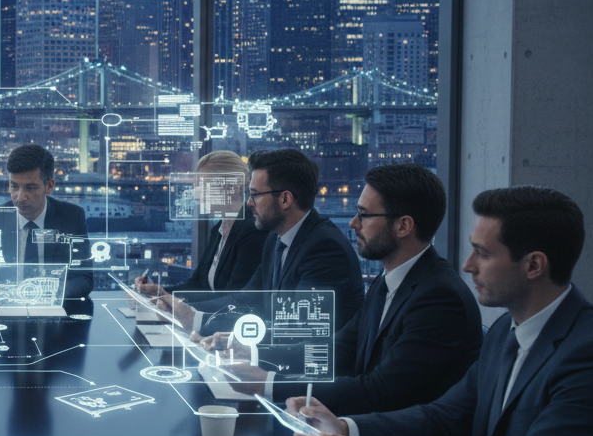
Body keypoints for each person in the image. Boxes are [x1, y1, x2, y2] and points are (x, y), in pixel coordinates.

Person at [292, 186, 593, 436]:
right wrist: (346, 428)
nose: (467, 265)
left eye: (482, 253)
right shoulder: (504, 331)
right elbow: (444, 416)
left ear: (533, 265)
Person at [200, 163, 482, 414]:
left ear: (403, 226)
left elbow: (379, 390)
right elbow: (337, 349)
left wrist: (270, 384)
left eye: (364, 215)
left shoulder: (440, 298)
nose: (353, 223)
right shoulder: (389, 281)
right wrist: (256, 354)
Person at [162, 148, 365, 336]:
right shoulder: (275, 239)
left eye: (256, 195)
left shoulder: (325, 249)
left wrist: (197, 321)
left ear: (285, 199)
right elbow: (245, 299)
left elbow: (296, 329)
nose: (249, 202)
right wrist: (180, 309)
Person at [0, 143, 94, 305]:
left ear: (49, 186)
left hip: (53, 314)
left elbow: (84, 277)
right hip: (3, 308)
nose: (20, 197)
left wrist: (53, 294)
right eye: (14, 187)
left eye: (30, 188)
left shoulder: (72, 216)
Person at [134, 150, 266, 295]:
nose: (197, 193)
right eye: (197, 185)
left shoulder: (252, 230)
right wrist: (156, 293)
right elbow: (197, 285)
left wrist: (170, 302)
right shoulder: (219, 229)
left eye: (204, 185)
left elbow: (233, 298)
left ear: (233, 188)